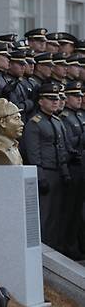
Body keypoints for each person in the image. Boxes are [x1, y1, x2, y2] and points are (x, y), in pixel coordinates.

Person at [22, 83, 71, 251]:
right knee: (44, 214)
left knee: (57, 215)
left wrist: (65, 173)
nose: (55, 102)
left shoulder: (57, 121)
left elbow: (62, 148)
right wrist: (40, 176)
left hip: (57, 172)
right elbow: (33, 153)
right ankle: (42, 249)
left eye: (56, 99)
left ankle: (53, 248)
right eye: (51, 99)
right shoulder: (34, 123)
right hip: (46, 173)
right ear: (41, 101)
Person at [58, 81, 85, 259]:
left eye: (80, 96)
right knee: (70, 210)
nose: (80, 99)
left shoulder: (80, 115)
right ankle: (68, 245)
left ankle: (76, 244)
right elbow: (69, 145)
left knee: (79, 211)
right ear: (66, 99)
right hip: (73, 167)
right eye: (76, 96)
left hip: (82, 167)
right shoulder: (65, 118)